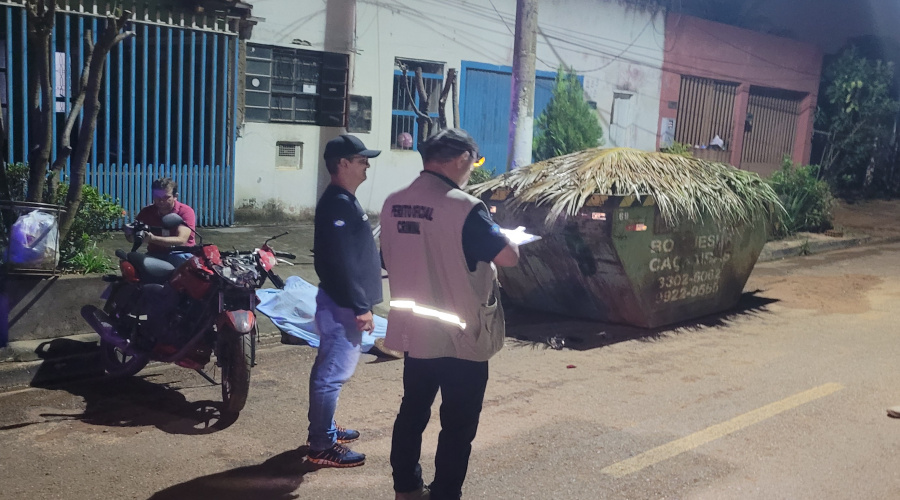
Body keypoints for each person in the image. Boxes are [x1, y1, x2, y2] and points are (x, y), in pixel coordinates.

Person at [380, 128, 520, 500]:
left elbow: (387, 256)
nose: (471, 170)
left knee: (412, 412)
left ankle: (406, 488)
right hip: (462, 338)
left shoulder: (393, 203)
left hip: (416, 334)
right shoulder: (463, 207)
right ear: (461, 159)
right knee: (457, 427)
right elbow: (508, 257)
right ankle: (444, 494)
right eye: (472, 163)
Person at [306, 134, 383, 468]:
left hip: (340, 302)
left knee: (328, 371)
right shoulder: (338, 203)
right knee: (331, 375)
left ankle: (324, 428)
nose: (367, 164)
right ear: (342, 164)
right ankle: (321, 444)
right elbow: (340, 261)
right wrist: (361, 307)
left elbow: (353, 254)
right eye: (361, 159)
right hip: (343, 306)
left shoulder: (343, 200)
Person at [125, 177, 196, 266]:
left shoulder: (185, 211)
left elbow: (181, 240)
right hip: (156, 254)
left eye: (166, 197)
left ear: (175, 196)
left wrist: (153, 239)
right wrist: (130, 233)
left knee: (179, 259)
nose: (161, 201)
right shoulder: (147, 212)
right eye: (157, 197)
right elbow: (132, 238)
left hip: (180, 253)